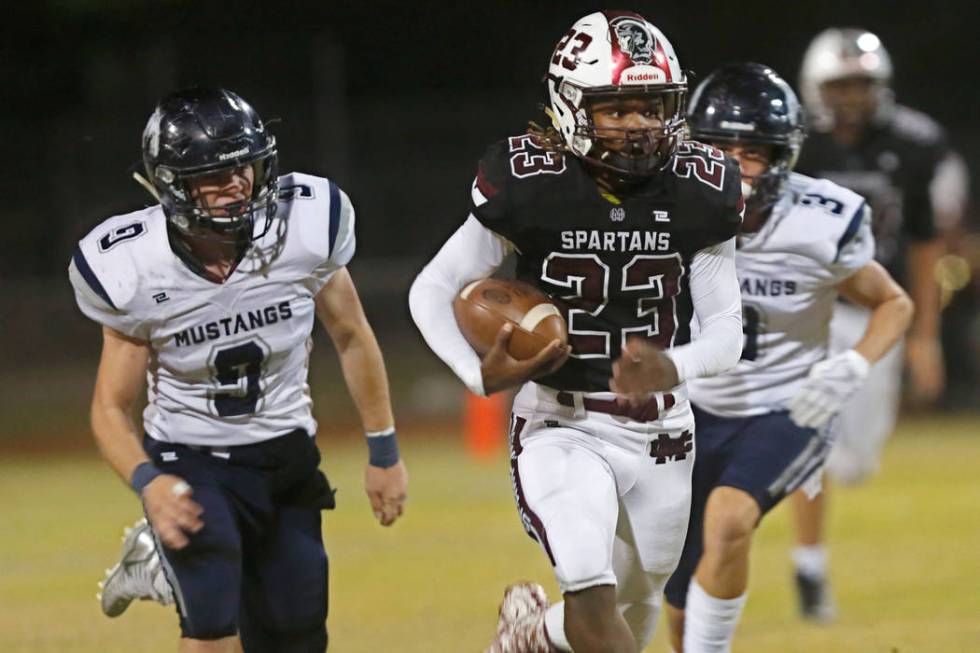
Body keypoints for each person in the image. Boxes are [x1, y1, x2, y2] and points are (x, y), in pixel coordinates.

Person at [409, 11, 745, 653]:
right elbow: (433, 287)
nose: (640, 124)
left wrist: (674, 367)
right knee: (593, 600)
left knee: (633, 605)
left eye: (653, 106)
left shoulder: (702, 188)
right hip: (561, 425)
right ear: (570, 105)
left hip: (663, 431)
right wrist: (476, 374)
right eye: (617, 108)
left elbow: (727, 331)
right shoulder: (531, 183)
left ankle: (530, 635)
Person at [69, 87, 408, 652]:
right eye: (213, 175)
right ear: (172, 184)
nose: (236, 186)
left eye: (243, 168)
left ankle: (160, 565)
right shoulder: (132, 266)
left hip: (285, 451)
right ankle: (173, 562)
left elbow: (351, 336)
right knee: (212, 624)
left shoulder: (304, 228)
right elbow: (109, 407)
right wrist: (148, 482)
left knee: (297, 634)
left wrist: (384, 452)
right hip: (190, 456)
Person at [660, 63, 913, 653]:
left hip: (785, 408)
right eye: (719, 149)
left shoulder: (820, 222)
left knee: (728, 523)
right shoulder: (666, 212)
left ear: (783, 157)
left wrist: (851, 366)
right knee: (675, 591)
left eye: (752, 152)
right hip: (690, 411)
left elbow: (893, 304)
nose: (734, 167)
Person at [790, 27, 968, 620]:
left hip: (879, 314)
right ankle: (809, 567)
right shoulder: (792, 143)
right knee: (808, 439)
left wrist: (923, 337)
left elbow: (925, 243)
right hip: (806, 310)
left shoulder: (915, 143)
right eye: (841, 85)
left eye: (862, 84)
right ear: (816, 88)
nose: (853, 97)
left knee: (856, 463)